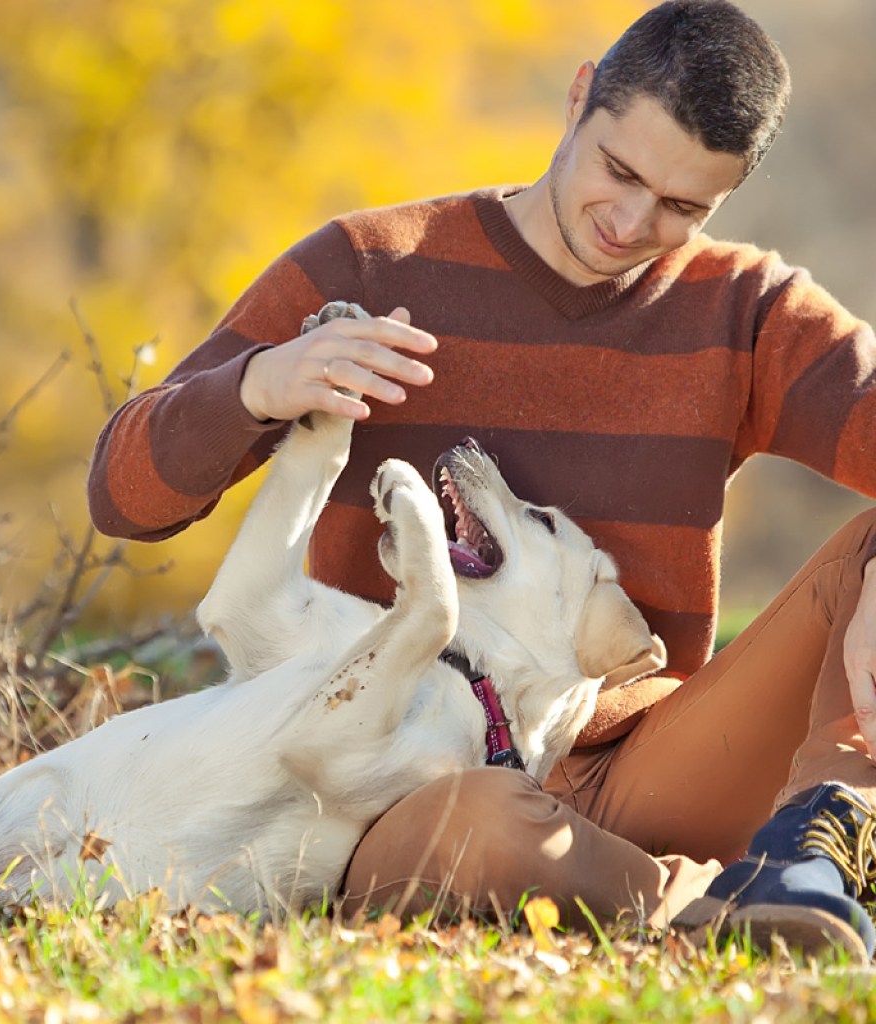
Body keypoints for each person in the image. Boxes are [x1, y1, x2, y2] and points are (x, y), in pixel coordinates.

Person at [87, 1, 876, 959]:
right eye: (619, 171)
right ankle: (704, 915)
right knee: (498, 826)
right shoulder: (373, 266)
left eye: (682, 207)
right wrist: (258, 386)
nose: (632, 223)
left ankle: (811, 859)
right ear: (580, 94)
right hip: (394, 782)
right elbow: (122, 497)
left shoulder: (744, 310)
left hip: (643, 768)